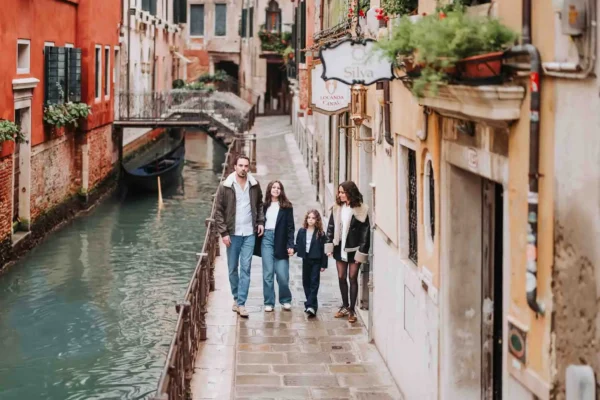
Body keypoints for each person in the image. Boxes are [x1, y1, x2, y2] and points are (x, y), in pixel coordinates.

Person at [214, 155, 264, 318]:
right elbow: (218, 211)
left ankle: (241, 303)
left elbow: (259, 205)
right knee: (232, 269)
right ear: (234, 167)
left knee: (246, 268)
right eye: (240, 165)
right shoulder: (225, 186)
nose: (243, 168)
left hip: (249, 233)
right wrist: (224, 233)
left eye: (246, 166)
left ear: (248, 168)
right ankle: (236, 297)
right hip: (233, 234)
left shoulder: (254, 185)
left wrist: (260, 221)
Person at [325, 181, 370, 323]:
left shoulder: (361, 209)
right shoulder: (337, 207)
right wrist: (329, 246)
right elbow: (331, 227)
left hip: (354, 249)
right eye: (339, 192)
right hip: (340, 246)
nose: (340, 195)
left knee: (352, 278)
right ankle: (344, 306)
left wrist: (361, 253)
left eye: (343, 192)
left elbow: (365, 233)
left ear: (350, 193)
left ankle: (352, 310)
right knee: (341, 277)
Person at [257, 180, 295, 312]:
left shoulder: (287, 207)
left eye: (278, 188)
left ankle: (285, 300)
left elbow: (291, 228)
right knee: (268, 274)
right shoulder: (263, 206)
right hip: (266, 239)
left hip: (281, 240)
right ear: (269, 190)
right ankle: (269, 302)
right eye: (273, 187)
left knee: (282, 275)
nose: (276, 189)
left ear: (281, 191)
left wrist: (291, 245)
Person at [295, 209, 328, 317]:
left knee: (314, 282)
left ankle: (309, 305)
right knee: (306, 282)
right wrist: (292, 250)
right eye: (309, 217)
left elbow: (325, 250)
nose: (310, 220)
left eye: (313, 218)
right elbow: (298, 244)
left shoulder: (321, 234)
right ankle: (312, 306)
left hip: (316, 260)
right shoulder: (301, 231)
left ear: (317, 220)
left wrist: (324, 264)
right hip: (306, 259)